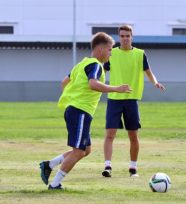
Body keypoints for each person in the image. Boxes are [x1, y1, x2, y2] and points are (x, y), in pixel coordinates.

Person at [39, 32, 131, 190]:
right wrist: (117, 88)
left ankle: (49, 164)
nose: (110, 53)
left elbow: (64, 82)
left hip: (76, 110)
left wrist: (74, 98)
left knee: (85, 150)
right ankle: (55, 184)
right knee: (79, 151)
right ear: (101, 49)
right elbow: (93, 84)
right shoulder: (96, 65)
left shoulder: (81, 64)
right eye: (110, 50)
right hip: (80, 111)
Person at [101, 25, 165, 177]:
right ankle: (107, 166)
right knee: (110, 134)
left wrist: (155, 82)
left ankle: (133, 168)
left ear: (132, 37)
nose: (124, 38)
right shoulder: (112, 53)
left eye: (127, 36)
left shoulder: (139, 54)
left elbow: (148, 72)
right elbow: (102, 71)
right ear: (119, 37)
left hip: (131, 100)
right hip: (114, 98)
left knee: (133, 136)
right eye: (122, 36)